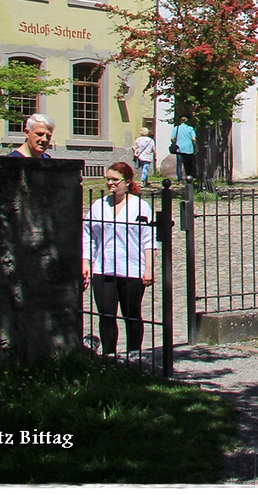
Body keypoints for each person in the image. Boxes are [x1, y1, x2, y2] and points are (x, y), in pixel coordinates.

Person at [81, 161, 158, 355]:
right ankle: (109, 355)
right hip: (103, 268)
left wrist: (148, 268)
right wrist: (86, 261)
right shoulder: (99, 206)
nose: (110, 183)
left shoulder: (140, 206)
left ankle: (134, 355)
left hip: (131, 269)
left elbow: (148, 239)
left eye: (115, 180)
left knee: (132, 315)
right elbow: (88, 234)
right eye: (108, 179)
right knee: (106, 314)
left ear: (127, 181)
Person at [171, 118, 197, 183]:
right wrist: (194, 145)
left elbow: (172, 138)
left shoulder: (176, 128)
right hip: (189, 148)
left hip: (179, 148)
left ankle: (179, 179)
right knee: (188, 164)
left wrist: (175, 142)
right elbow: (193, 138)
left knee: (179, 164)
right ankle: (189, 177)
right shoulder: (190, 128)